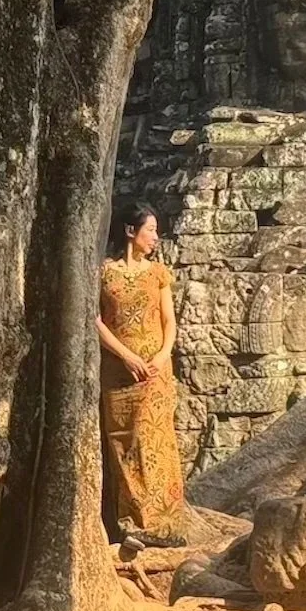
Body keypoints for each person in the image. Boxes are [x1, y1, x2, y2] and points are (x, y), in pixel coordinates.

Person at [98, 200, 187, 547]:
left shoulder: (158, 274)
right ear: (130, 231)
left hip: (155, 372)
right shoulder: (105, 273)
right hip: (118, 373)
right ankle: (132, 524)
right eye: (151, 230)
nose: (155, 238)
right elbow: (96, 321)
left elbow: (169, 323)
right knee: (123, 445)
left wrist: (161, 358)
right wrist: (126, 356)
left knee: (155, 441)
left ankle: (163, 526)